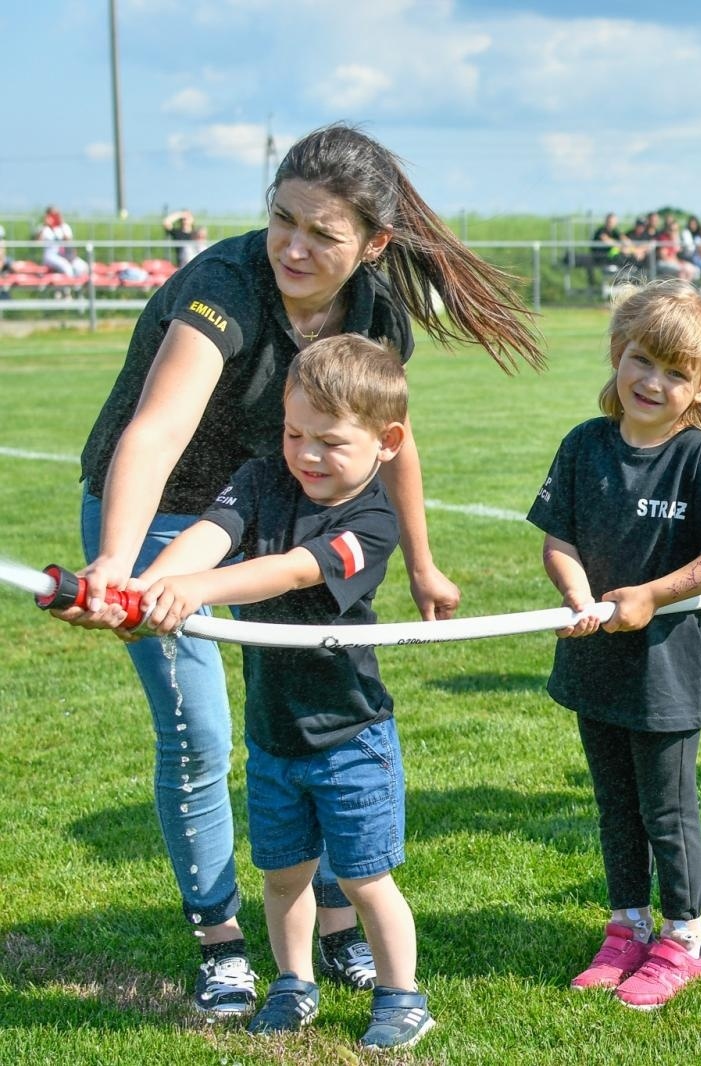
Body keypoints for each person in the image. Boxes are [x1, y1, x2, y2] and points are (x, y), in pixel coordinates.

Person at [56, 123, 544, 1017]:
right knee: (199, 733)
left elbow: (392, 439)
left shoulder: (376, 313)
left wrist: (426, 566)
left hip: (280, 519)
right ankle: (220, 939)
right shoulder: (222, 286)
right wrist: (118, 567)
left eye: (323, 233)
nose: (293, 245)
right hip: (163, 512)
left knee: (305, 718)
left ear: (373, 245)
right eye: (283, 219)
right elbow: (158, 432)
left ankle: (332, 926)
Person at [127, 337, 434, 1050]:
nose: (307, 454)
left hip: (350, 736)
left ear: (387, 442)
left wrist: (196, 592)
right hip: (273, 737)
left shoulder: (373, 520)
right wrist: (151, 586)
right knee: (283, 876)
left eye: (331, 441)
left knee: (364, 880)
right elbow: (212, 532)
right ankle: (293, 985)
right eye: (296, 433)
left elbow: (294, 571)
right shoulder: (263, 477)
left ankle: (402, 996)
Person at [529, 281, 701, 1010]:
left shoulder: (699, 458)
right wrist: (578, 596)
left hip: (662, 671)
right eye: (642, 361)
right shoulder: (584, 445)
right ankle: (627, 925)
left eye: (675, 371)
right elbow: (558, 537)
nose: (652, 382)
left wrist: (651, 595)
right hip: (592, 660)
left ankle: (685, 938)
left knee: (667, 811)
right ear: (617, 355)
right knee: (614, 806)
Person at [36, 206, 88, 277]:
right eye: (52, 215)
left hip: (66, 255)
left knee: (83, 267)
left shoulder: (65, 227)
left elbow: (69, 243)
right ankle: (67, 287)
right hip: (50, 256)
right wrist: (46, 225)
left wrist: (60, 226)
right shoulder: (43, 228)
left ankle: (76, 287)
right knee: (67, 268)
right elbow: (37, 243)